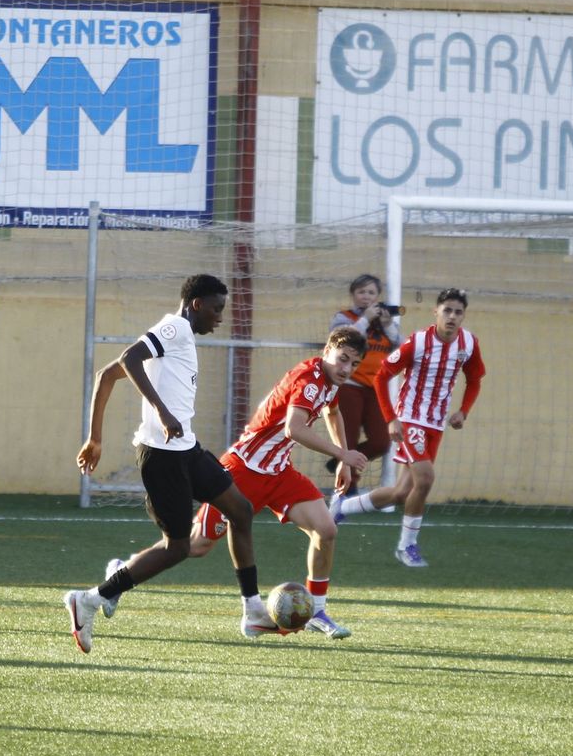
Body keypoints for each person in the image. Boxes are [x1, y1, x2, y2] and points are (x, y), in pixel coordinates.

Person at [66, 274, 278, 654]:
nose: (219, 318)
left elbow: (106, 375)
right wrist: (162, 413)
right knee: (178, 547)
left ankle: (253, 609)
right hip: (162, 457)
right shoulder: (176, 327)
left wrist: (94, 438)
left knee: (240, 510)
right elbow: (129, 360)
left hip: (186, 449)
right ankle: (90, 599)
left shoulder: (179, 337)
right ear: (196, 304)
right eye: (216, 309)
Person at [175, 326, 370, 639]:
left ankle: (317, 610)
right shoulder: (309, 380)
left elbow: (333, 413)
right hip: (243, 470)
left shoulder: (331, 381)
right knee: (196, 545)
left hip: (279, 473)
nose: (346, 368)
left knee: (327, 529)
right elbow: (294, 429)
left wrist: (343, 458)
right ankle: (126, 570)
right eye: (343, 359)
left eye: (354, 364)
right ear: (327, 352)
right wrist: (342, 454)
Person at [331, 288, 485, 568]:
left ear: (464, 316)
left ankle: (342, 507)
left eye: (458, 312)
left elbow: (474, 379)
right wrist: (391, 418)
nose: (452, 316)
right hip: (411, 419)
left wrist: (463, 411)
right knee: (425, 479)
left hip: (436, 425)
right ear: (435, 312)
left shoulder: (469, 344)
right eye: (447, 310)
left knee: (401, 492)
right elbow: (382, 376)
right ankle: (406, 546)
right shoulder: (419, 342)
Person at [327, 274, 400, 493]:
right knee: (347, 438)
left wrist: (387, 326)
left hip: (376, 387)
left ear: (378, 296)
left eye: (371, 293)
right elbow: (343, 339)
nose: (366, 297)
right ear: (353, 295)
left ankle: (338, 462)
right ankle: (348, 486)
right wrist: (365, 319)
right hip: (350, 385)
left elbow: (401, 348)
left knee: (381, 441)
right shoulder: (344, 317)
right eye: (361, 292)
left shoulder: (384, 323)